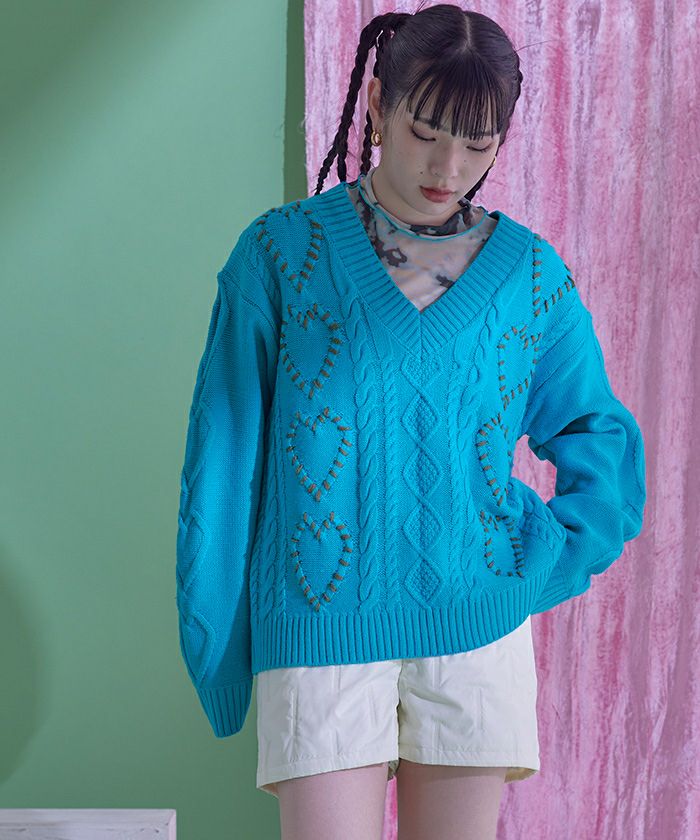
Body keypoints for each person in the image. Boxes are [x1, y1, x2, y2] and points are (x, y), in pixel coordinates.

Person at [175, 4, 647, 839]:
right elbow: (223, 460)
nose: (447, 167)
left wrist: (545, 559)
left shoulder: (529, 278)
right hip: (319, 625)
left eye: (478, 143)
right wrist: (217, 650)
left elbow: (598, 438)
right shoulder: (281, 256)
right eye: (425, 132)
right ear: (376, 103)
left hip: (476, 632)